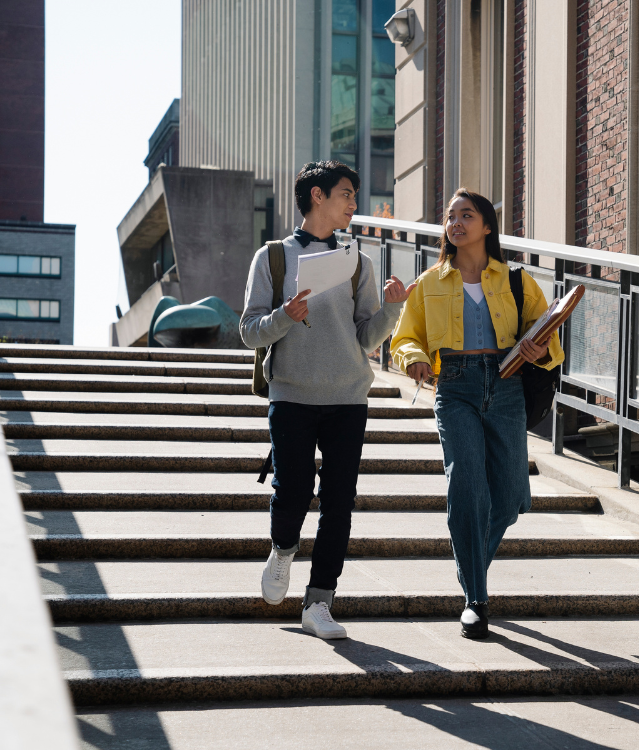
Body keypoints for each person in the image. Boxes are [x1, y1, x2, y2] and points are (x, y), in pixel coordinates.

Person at [240, 160, 414, 640]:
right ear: (317, 196)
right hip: (292, 394)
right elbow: (249, 332)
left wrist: (394, 307)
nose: (354, 203)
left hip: (347, 396)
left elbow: (365, 339)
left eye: (355, 195)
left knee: (339, 502)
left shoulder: (359, 261)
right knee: (292, 491)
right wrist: (285, 315)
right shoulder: (272, 258)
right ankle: (282, 549)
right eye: (346, 194)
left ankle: (320, 603)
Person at [390, 189, 564, 639]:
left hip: (507, 384)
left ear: (488, 226)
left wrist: (538, 346)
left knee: (508, 497)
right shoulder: (429, 282)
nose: (456, 223)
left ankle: (469, 568)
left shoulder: (518, 282)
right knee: (466, 486)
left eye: (466, 215)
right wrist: (413, 359)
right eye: (450, 216)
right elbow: (404, 337)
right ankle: (476, 599)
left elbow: (551, 343)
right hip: (456, 387)